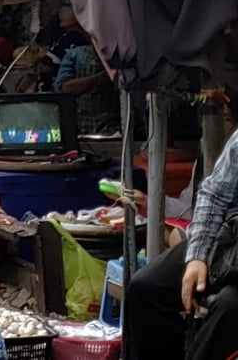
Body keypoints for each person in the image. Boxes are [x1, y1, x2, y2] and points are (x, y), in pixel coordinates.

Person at [125, 123, 238, 359]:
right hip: (228, 242)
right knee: (145, 287)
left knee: (228, 308)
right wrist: (197, 256)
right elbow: (214, 194)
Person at [54, 41, 120, 135]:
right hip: (78, 131)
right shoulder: (75, 55)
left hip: (113, 130)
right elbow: (62, 88)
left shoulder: (122, 58)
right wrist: (97, 79)